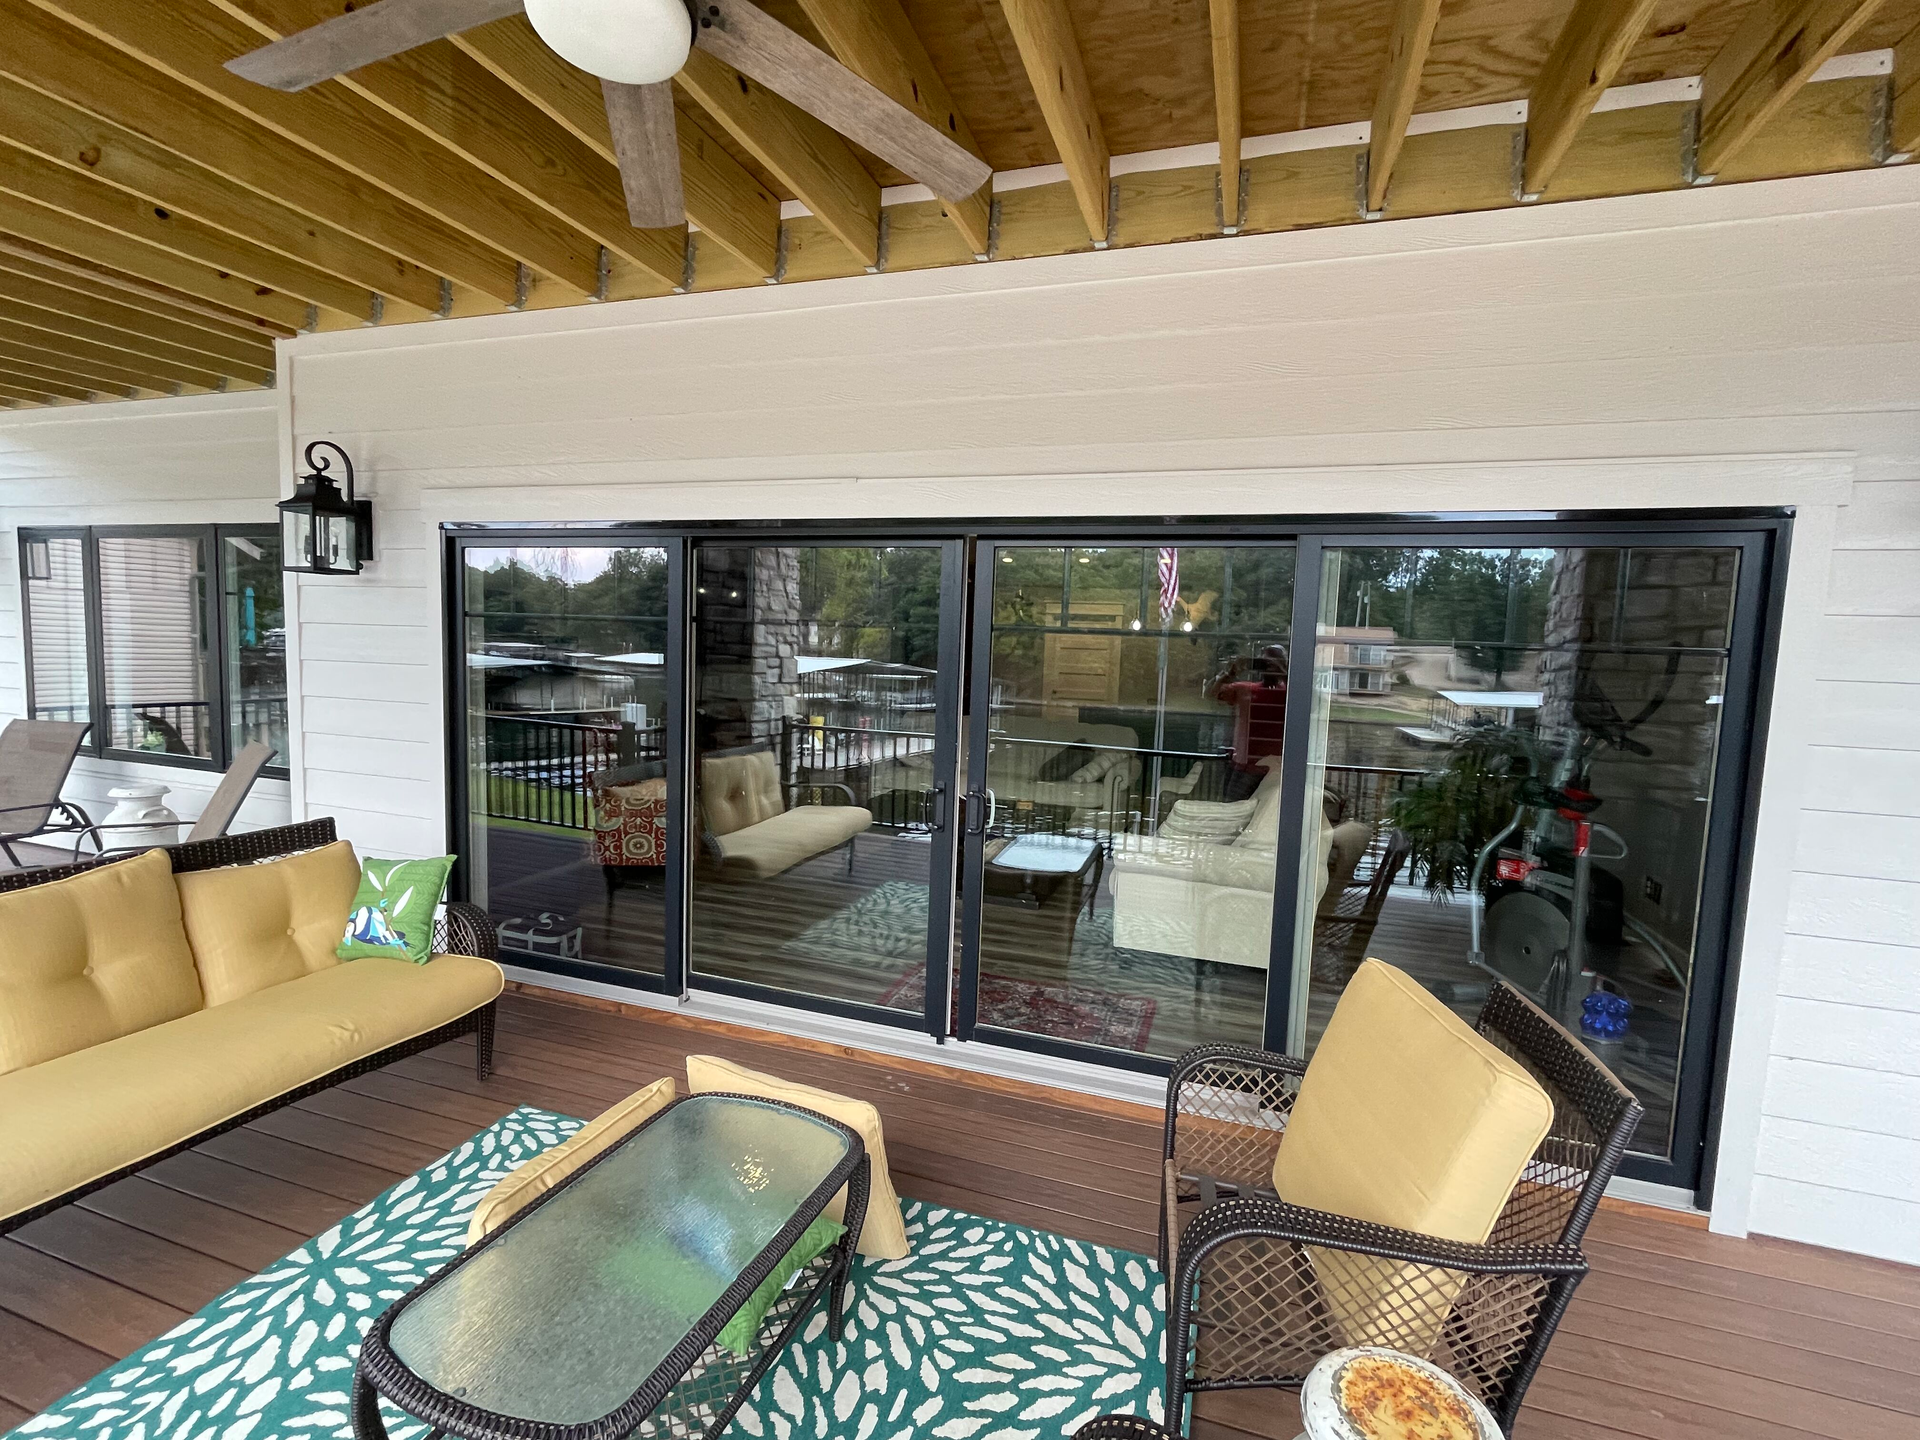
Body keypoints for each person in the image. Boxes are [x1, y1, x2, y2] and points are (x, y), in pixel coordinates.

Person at [1209, 643, 1288, 799]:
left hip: (1274, 768)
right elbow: (1211, 694)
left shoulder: (1289, 694)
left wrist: (1283, 672)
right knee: (1231, 806)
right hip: (1243, 764)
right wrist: (1231, 671)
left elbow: (1314, 704)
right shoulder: (1245, 690)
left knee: (1261, 809)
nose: (1267, 666)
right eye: (1264, 662)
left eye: (1273, 662)